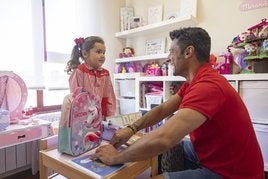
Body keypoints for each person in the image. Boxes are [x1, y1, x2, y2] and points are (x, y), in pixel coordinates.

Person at [93, 27, 264, 179]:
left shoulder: (207, 86)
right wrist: (131, 129)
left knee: (160, 150)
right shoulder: (194, 82)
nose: (168, 58)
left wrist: (116, 158)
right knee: (169, 150)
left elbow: (164, 138)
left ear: (188, 52)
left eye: (172, 52)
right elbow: (162, 110)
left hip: (234, 174)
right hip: (217, 157)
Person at [66, 36, 116, 118]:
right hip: (83, 118)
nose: (102, 55)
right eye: (99, 52)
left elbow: (110, 96)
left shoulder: (105, 74)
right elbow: (76, 97)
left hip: (101, 117)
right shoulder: (79, 71)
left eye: (103, 53)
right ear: (85, 54)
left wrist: (110, 116)